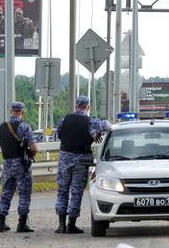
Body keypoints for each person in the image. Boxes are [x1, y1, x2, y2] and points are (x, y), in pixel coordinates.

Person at [54, 95, 112, 234]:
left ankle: (61, 225)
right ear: (88, 107)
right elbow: (108, 125)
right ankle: (71, 225)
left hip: (64, 159)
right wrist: (97, 133)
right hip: (80, 160)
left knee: (62, 191)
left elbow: (60, 135)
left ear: (76, 106)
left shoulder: (64, 119)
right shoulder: (90, 122)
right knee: (76, 192)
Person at [0, 102, 38, 233]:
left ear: (11, 111)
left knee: (6, 192)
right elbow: (33, 148)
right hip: (21, 164)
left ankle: (1, 223)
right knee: (24, 193)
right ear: (22, 112)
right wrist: (32, 153)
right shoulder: (24, 126)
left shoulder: (1, 127)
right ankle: (22, 224)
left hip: (7, 163)